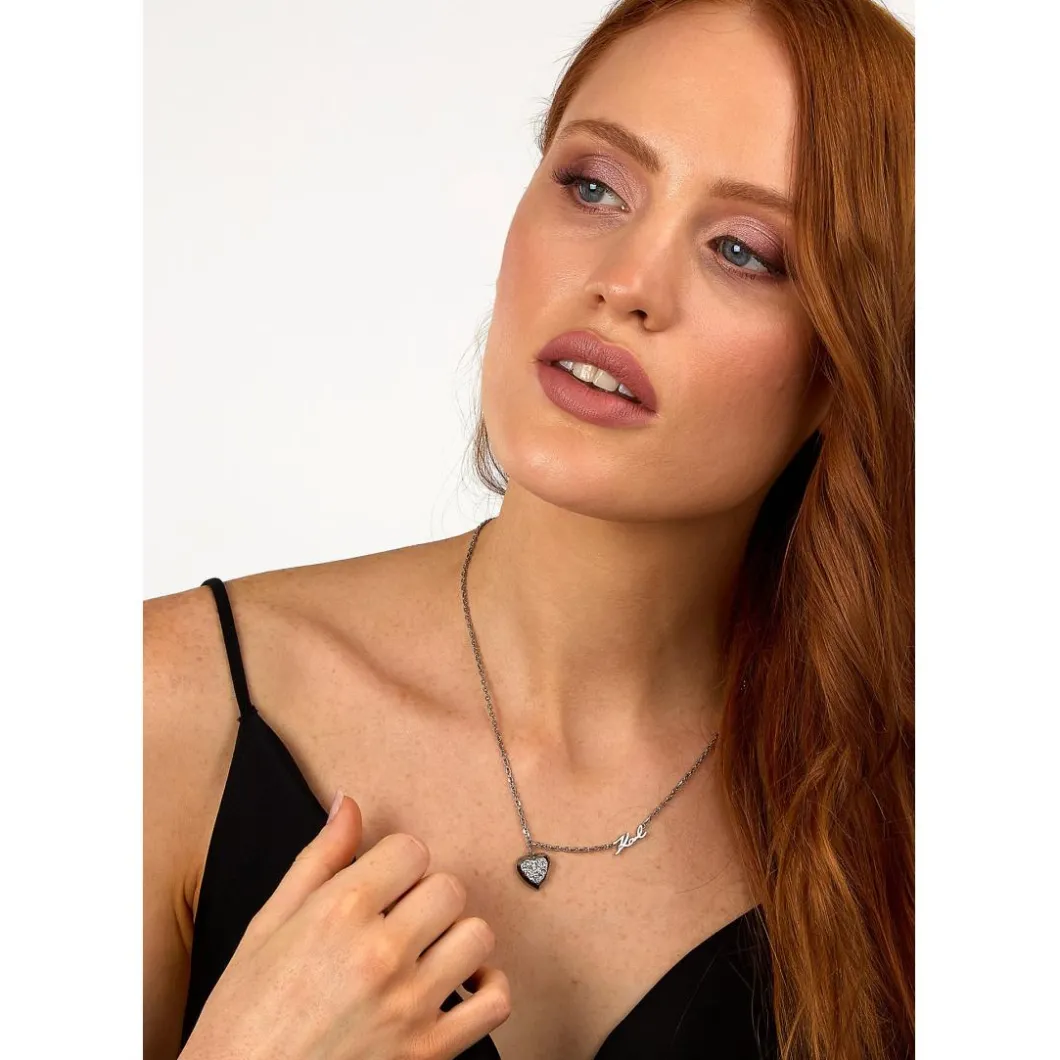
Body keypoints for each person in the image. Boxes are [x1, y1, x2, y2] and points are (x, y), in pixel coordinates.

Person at [143, 1, 914, 1058]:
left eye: (743, 249)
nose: (626, 282)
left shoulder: (906, 811)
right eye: (593, 186)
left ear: (846, 360)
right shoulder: (160, 707)